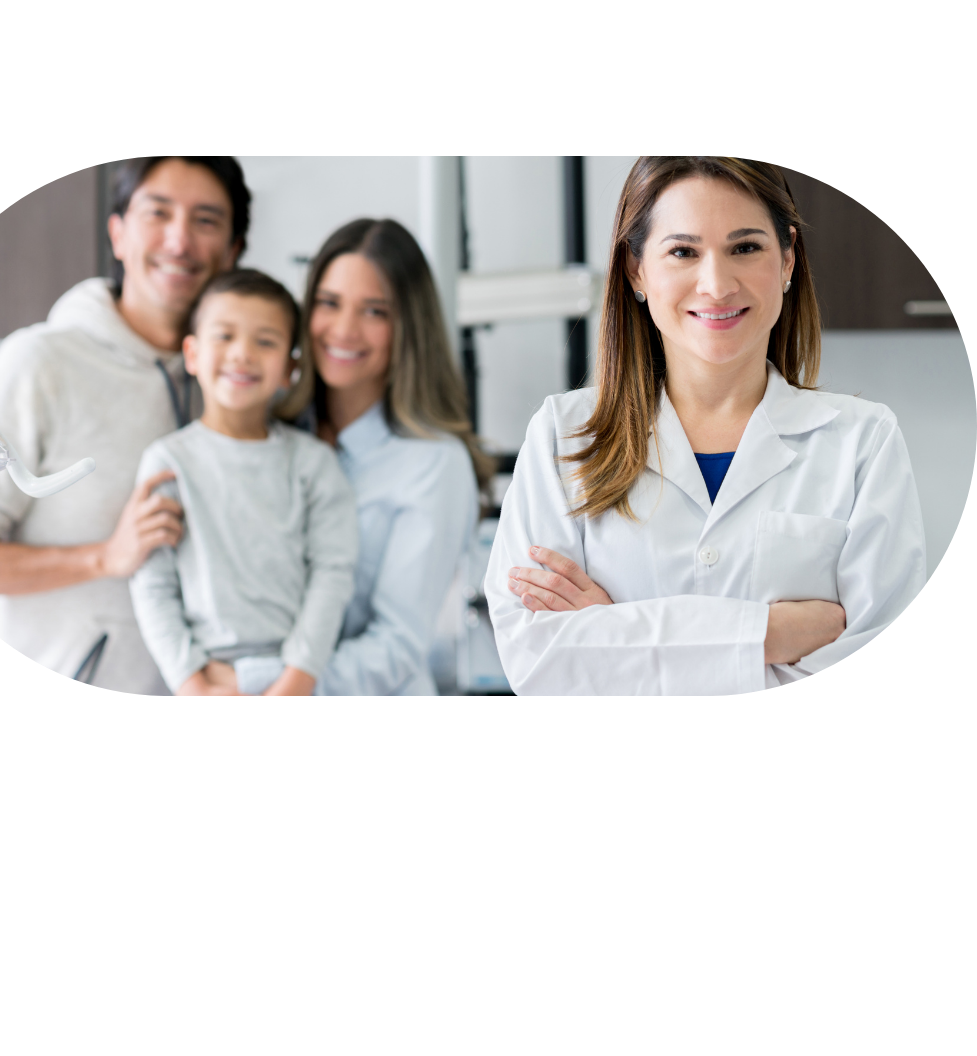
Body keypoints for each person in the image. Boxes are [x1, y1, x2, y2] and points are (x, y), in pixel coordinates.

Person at [484, 156, 925, 697]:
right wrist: (769, 634)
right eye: (683, 252)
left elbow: (879, 678)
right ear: (636, 269)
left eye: (745, 248)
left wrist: (614, 633)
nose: (716, 284)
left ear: (787, 260)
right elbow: (535, 659)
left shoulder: (863, 441)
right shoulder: (565, 433)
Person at [0, 157, 251, 702]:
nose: (179, 241)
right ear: (118, 233)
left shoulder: (242, 380)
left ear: (234, 250)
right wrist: (105, 555)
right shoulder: (40, 363)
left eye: (207, 220)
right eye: (158, 213)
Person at [278, 218, 495, 702]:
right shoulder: (271, 436)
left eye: (374, 311)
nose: (344, 330)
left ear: (407, 328)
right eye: (328, 303)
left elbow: (396, 646)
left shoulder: (434, 464)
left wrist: (266, 686)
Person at [128, 270, 358, 705]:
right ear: (192, 354)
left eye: (266, 342)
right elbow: (152, 583)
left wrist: (299, 676)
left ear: (290, 368)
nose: (242, 354)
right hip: (207, 682)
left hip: (294, 682)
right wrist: (189, 681)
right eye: (225, 336)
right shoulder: (169, 462)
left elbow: (332, 573)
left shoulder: (313, 464)